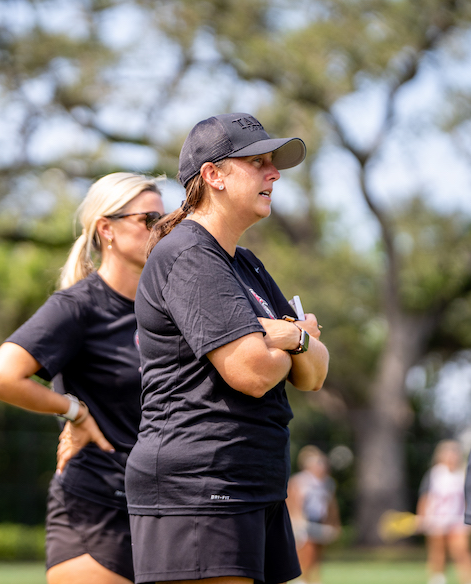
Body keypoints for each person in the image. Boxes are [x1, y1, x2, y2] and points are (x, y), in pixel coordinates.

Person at [125, 112, 330, 584]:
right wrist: (294, 341)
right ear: (213, 176)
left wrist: (289, 337)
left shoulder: (247, 264)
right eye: (257, 163)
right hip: (201, 488)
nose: (274, 174)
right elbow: (252, 372)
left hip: (253, 484)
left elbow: (315, 374)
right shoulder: (188, 254)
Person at [0, 173, 165, 584]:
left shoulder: (169, 308)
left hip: (166, 509)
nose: (161, 230)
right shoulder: (78, 306)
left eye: (167, 220)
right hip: (96, 509)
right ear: (107, 229)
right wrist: (74, 412)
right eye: (148, 219)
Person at [418, 440, 471, 584]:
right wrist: (423, 518)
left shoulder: (462, 475)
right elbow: (425, 497)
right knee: (437, 553)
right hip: (436, 520)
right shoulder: (434, 474)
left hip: (456, 520)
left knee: (461, 552)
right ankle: (437, 580)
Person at [286, 446, 341, 584]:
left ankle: (314, 579)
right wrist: (297, 520)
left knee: (318, 555)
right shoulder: (300, 481)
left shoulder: (327, 483)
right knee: (306, 553)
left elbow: (331, 505)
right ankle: (303, 579)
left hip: (320, 521)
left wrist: (334, 523)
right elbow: (294, 502)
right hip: (305, 521)